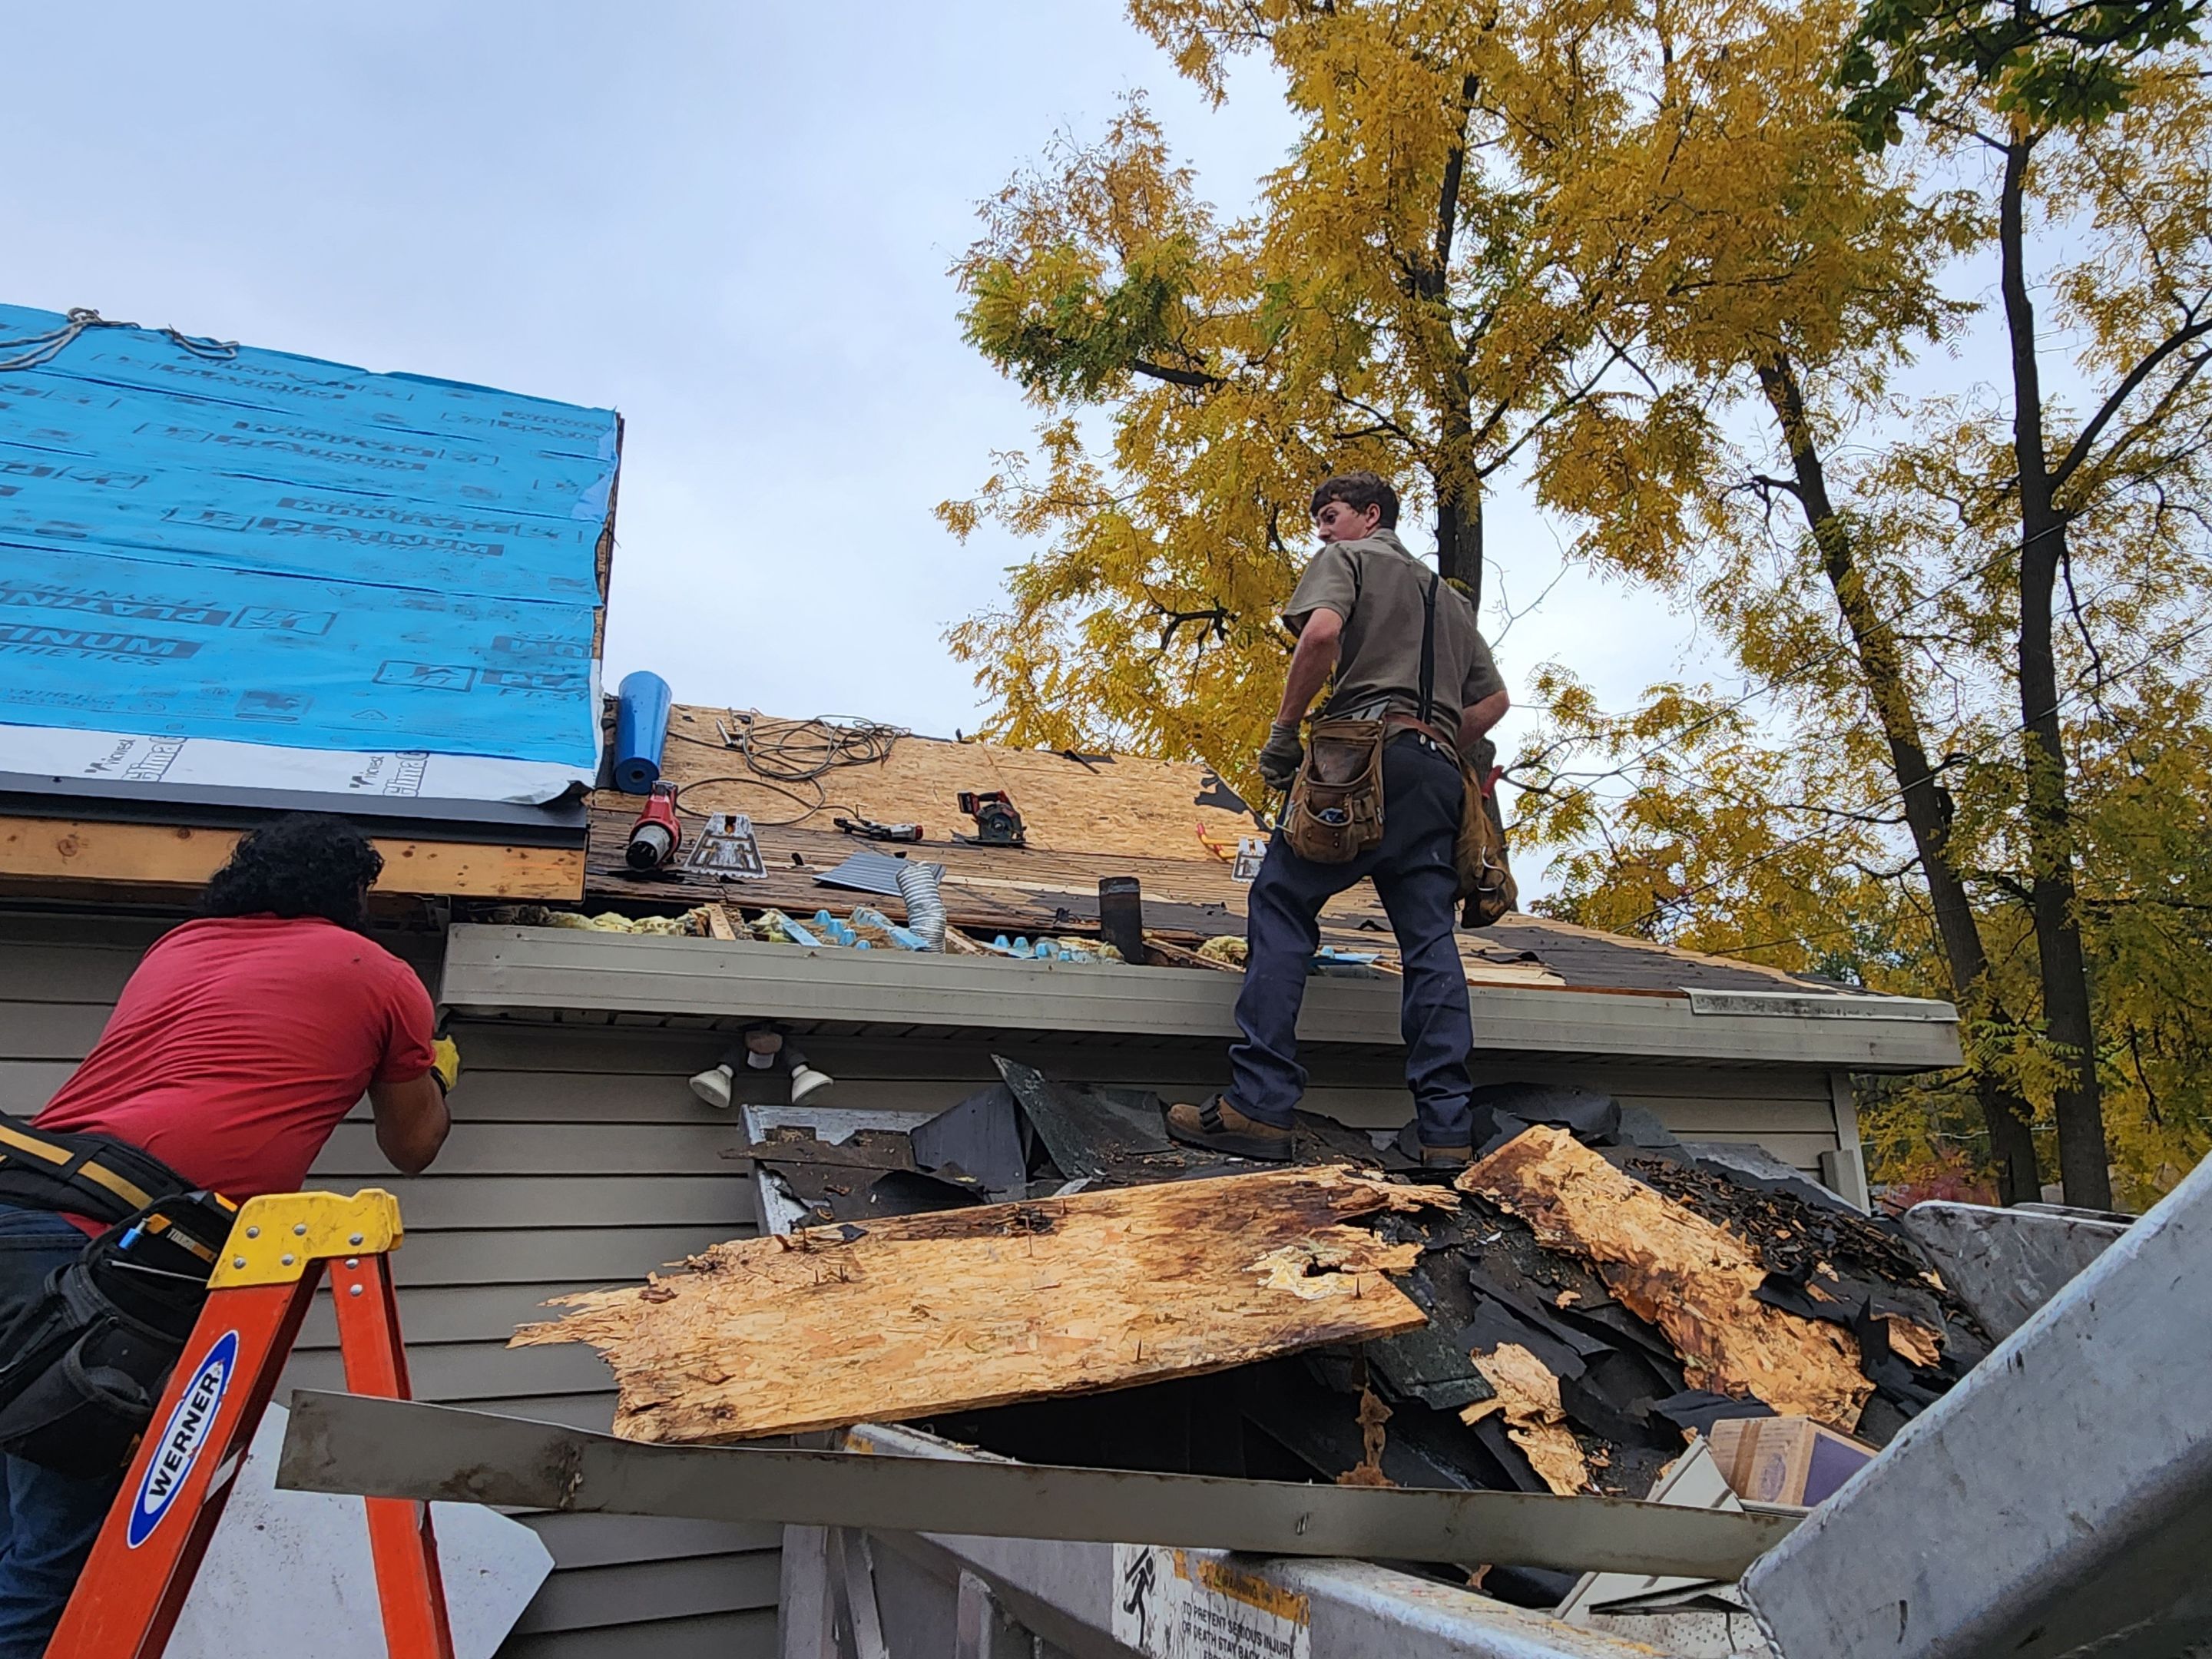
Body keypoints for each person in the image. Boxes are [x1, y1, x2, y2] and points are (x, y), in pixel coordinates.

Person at [0, 813, 456, 1657]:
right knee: (55, 1557)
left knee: (14, 1529)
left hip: (23, 1186)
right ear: (352, 893)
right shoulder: (382, 973)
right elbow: (414, 1144)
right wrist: (430, 1066)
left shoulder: (182, 942)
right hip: (109, 1251)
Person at [1167, 471, 1508, 1169]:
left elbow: (1321, 633)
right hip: (1440, 776)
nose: (1321, 531)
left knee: (1283, 899)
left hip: (1359, 758)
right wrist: (1437, 734)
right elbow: (1495, 702)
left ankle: (1257, 1106)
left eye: (1330, 515)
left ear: (1370, 515)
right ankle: (1447, 1131)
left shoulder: (1348, 561)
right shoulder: (1448, 599)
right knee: (1430, 944)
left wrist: (1286, 731)